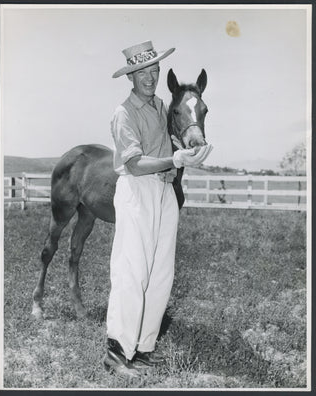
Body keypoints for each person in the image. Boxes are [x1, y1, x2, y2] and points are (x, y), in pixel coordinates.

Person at [104, 41, 212, 378]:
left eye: (154, 71)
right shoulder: (124, 113)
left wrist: (186, 154)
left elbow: (172, 140)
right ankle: (116, 353)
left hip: (165, 191)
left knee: (161, 274)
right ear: (131, 77)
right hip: (137, 191)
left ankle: (144, 348)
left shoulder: (161, 105)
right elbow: (134, 164)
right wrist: (174, 159)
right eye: (142, 73)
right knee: (132, 271)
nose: (150, 77)